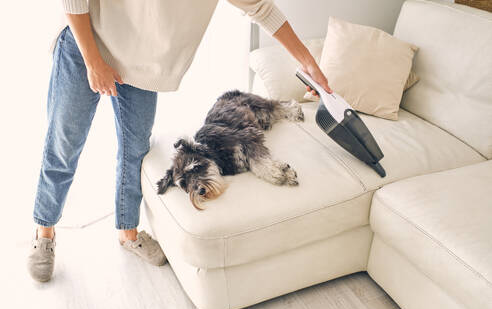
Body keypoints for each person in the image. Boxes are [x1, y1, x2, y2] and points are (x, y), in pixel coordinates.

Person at [28, 0, 332, 282]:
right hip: (86, 45)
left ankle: (128, 233)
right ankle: (44, 232)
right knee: (64, 146)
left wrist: (309, 64)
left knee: (135, 152)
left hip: (141, 66)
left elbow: (262, 9)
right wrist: (93, 62)